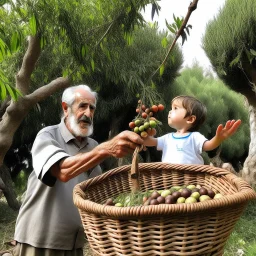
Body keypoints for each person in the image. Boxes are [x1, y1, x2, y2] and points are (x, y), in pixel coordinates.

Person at [13, 84, 144, 256]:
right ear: (65, 108)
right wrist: (107, 149)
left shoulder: (93, 146)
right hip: (38, 241)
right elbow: (62, 171)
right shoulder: (47, 136)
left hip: (74, 245)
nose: (88, 113)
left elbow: (96, 194)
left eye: (92, 108)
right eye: (82, 106)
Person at [143, 95, 241, 164]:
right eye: (171, 108)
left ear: (190, 119)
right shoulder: (167, 138)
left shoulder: (194, 137)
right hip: (169, 180)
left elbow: (208, 146)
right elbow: (149, 141)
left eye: (175, 108)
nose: (170, 111)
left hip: (192, 182)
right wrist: (143, 130)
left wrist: (218, 139)